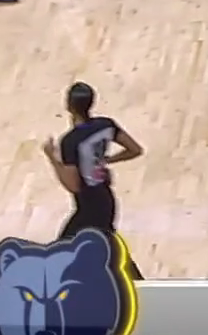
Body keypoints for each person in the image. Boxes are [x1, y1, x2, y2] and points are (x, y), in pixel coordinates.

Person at [44, 81, 146, 279]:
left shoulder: (70, 141)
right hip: (105, 199)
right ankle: (141, 285)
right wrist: (106, 160)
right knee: (109, 251)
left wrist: (52, 158)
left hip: (89, 207)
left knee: (63, 254)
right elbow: (135, 149)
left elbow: (73, 185)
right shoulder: (105, 125)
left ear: (69, 106)